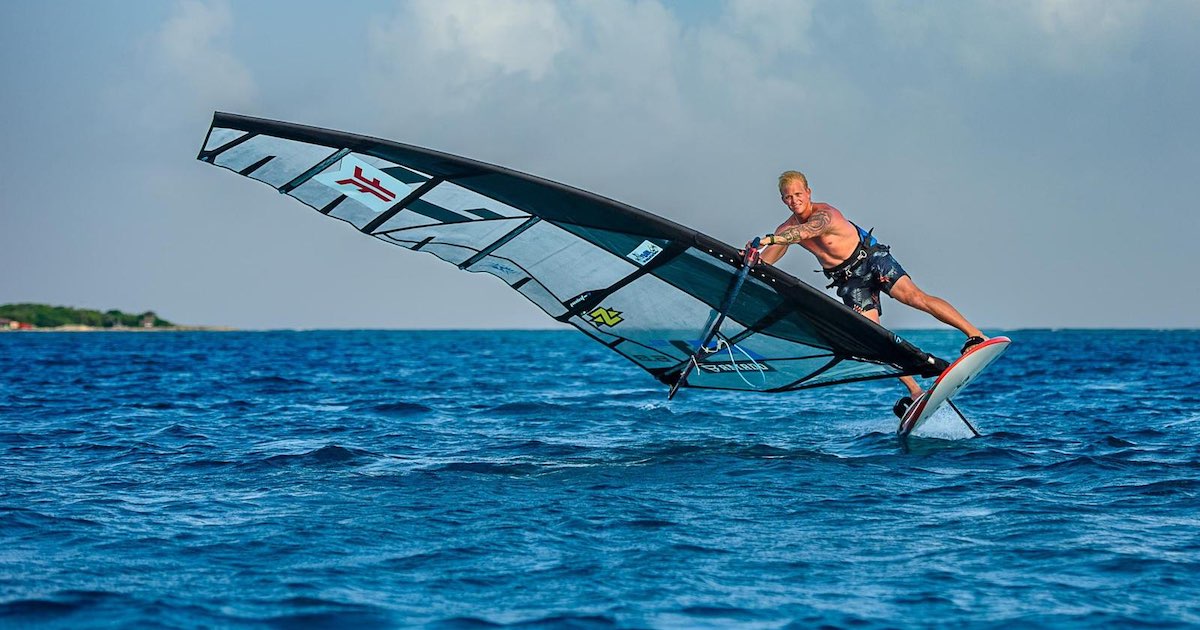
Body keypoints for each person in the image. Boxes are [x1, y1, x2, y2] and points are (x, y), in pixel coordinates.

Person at [753, 170, 986, 416]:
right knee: (872, 338)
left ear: (808, 192)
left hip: (871, 259)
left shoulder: (825, 215)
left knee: (913, 297)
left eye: (798, 194)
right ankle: (916, 392)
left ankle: (975, 336)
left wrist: (770, 239)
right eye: (788, 197)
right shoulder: (785, 229)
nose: (794, 200)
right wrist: (751, 258)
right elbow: (771, 257)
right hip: (848, 280)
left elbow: (805, 232)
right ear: (783, 200)